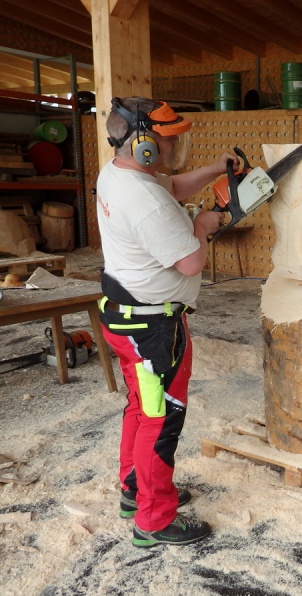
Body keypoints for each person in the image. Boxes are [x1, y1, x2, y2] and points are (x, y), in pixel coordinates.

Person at [96, 96, 238, 547]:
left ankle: (135, 490)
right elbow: (191, 262)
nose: (175, 148)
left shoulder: (120, 173)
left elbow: (171, 187)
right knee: (160, 420)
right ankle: (153, 520)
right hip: (153, 330)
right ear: (145, 145)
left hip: (128, 318)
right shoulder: (143, 200)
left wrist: (215, 169)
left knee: (142, 408)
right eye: (169, 140)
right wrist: (204, 225)